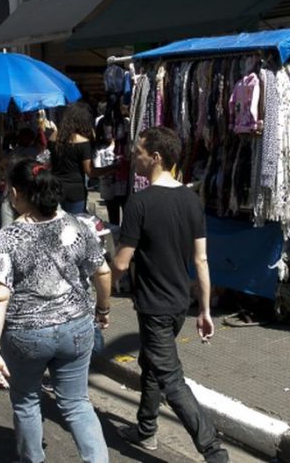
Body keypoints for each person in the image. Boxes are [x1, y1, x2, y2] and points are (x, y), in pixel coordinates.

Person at [111, 126, 229, 462]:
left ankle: (213, 450)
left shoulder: (140, 202)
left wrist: (100, 282)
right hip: (178, 304)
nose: (133, 157)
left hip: (155, 307)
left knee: (171, 379)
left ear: (156, 157)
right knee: (151, 365)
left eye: (138, 152)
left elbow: (121, 262)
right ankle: (146, 429)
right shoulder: (191, 199)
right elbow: (201, 260)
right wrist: (204, 309)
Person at [0, 159, 112, 462]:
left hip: (26, 335)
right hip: (76, 327)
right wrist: (103, 310)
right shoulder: (78, 225)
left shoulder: (7, 237)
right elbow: (103, 272)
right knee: (77, 403)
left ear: (16, 194)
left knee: (27, 401)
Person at [51, 103, 114, 215]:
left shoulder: (53, 137)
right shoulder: (82, 142)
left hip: (55, 187)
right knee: (76, 223)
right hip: (75, 191)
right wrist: (110, 168)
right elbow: (90, 172)